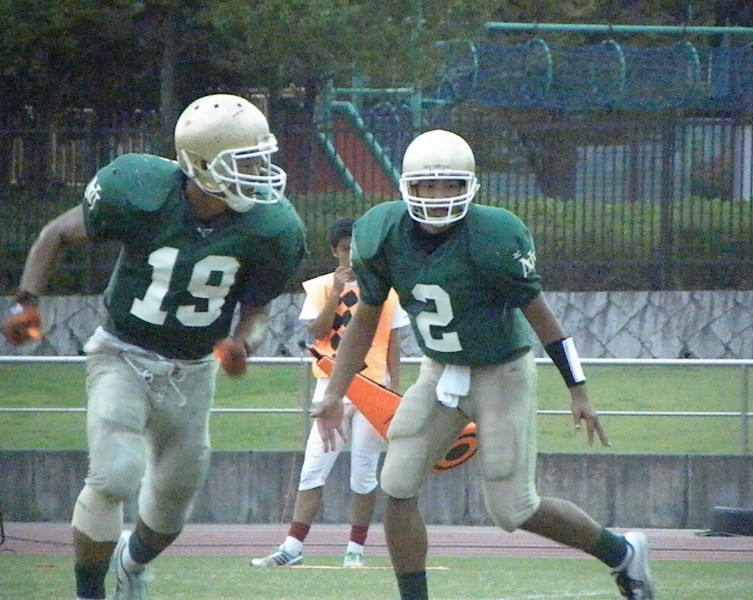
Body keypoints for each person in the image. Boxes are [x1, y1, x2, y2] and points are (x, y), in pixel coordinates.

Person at [311, 129, 655, 600]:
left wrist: (578, 389)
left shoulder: (493, 235)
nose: (438, 197)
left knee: (513, 509)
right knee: (397, 485)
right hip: (438, 372)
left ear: (469, 186)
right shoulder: (381, 233)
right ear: (407, 186)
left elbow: (543, 319)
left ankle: (623, 554)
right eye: (427, 185)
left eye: (449, 185)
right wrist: (335, 392)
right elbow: (365, 321)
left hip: (500, 373)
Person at [1, 93, 307, 600]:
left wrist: (242, 343)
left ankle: (132, 562)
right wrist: (26, 302)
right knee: (114, 476)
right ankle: (89, 594)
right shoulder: (142, 191)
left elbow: (257, 311)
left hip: (193, 371)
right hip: (122, 352)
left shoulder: (272, 227)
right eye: (244, 162)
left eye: (259, 159)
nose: (258, 173)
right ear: (201, 165)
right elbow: (56, 233)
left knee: (171, 506)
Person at [251, 217, 409, 569]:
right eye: (344, 249)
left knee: (364, 472)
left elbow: (393, 343)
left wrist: (394, 393)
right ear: (335, 252)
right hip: (332, 387)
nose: (351, 256)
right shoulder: (321, 287)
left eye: (356, 249)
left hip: (374, 387)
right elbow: (318, 331)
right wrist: (336, 292)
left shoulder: (387, 289)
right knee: (313, 466)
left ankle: (355, 550)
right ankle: (292, 547)